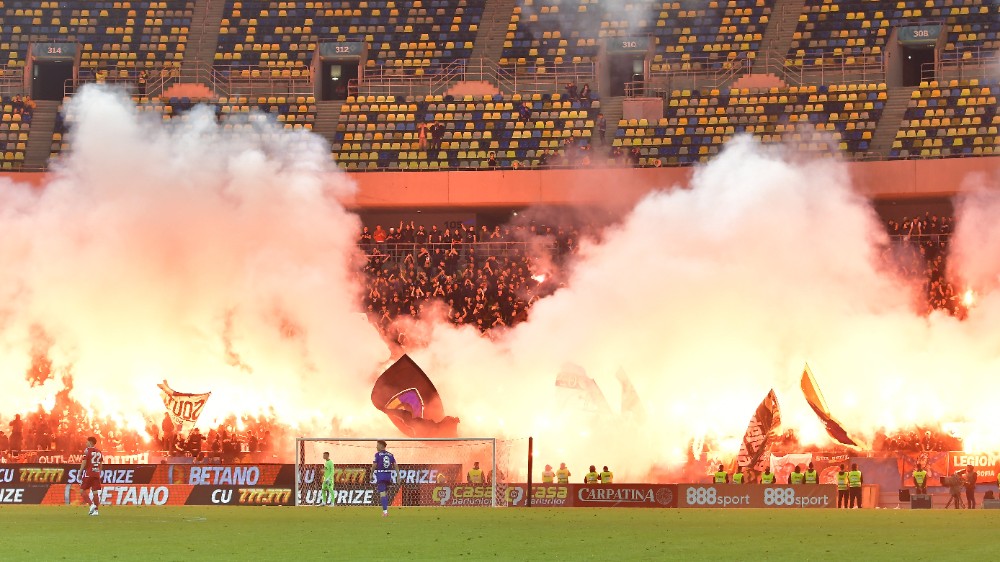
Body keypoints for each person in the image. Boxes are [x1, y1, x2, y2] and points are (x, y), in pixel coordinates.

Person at [373, 440, 398, 517]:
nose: (376, 447)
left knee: (382, 493)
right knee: (385, 493)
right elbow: (395, 465)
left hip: (381, 475)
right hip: (388, 475)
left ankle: (385, 512)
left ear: (381, 446)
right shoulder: (390, 455)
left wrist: (371, 474)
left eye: (377, 445)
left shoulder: (377, 455)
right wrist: (398, 475)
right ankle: (385, 509)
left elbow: (374, 465)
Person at [79, 436, 103, 516]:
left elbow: (84, 462)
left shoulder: (87, 451)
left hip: (89, 473)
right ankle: (96, 511)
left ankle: (91, 505)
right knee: (95, 492)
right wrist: (98, 472)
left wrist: (80, 472)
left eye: (87, 442)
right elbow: (100, 464)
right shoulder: (99, 451)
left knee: (82, 490)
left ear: (90, 442)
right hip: (96, 473)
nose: (86, 443)